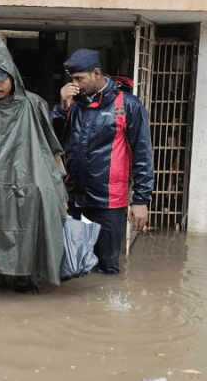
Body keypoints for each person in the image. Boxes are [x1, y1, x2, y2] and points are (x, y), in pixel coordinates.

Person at [0, 36, 67, 292]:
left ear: (13, 77)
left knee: (26, 246)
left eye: (1, 79)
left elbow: (52, 151)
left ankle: (25, 282)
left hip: (26, 190)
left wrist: (60, 193)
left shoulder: (33, 105)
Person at [51, 48, 154, 274]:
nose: (75, 84)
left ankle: (103, 306)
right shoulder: (72, 104)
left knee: (107, 268)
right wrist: (61, 108)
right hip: (75, 198)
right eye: (72, 79)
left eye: (79, 78)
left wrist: (140, 200)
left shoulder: (127, 105)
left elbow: (143, 154)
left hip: (109, 202)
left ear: (96, 73)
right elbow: (51, 141)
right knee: (72, 265)